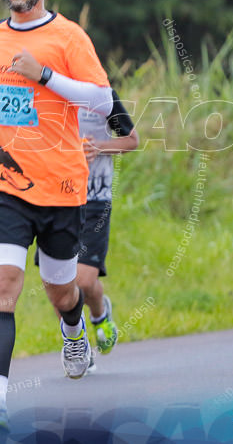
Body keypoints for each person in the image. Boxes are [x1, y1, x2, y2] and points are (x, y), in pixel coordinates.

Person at [0, 0, 113, 431]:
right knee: (2, 284)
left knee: (60, 289)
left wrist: (44, 75)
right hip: (4, 176)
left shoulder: (69, 35)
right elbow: (2, 76)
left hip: (63, 183)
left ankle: (74, 329)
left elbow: (102, 99)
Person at [69, 90, 138, 360]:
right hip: (54, 197)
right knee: (59, 286)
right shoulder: (46, 90)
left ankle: (100, 314)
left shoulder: (102, 95)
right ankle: (77, 344)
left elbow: (131, 141)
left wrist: (98, 147)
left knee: (84, 281)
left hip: (95, 198)